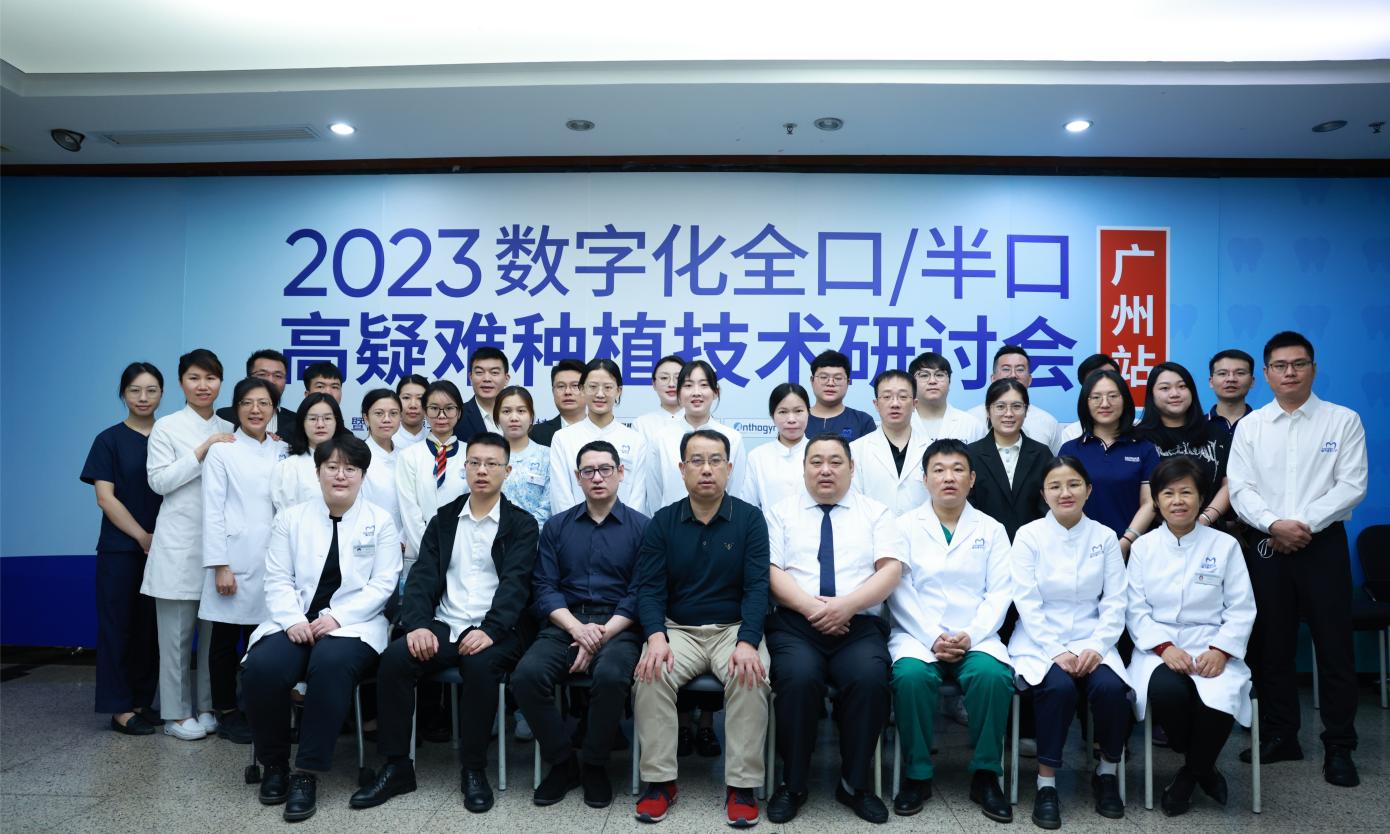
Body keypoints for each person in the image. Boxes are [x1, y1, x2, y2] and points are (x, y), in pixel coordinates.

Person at [352, 432, 539, 814]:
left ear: (507, 471)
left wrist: (490, 630)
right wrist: (417, 625)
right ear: (464, 467)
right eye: (475, 463)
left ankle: (474, 769)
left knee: (480, 665)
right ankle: (397, 766)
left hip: (497, 629)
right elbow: (422, 578)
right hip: (445, 622)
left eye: (492, 464)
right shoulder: (444, 519)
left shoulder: (521, 524)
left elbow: (516, 586)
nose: (482, 471)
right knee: (396, 659)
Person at [1226, 331, 1367, 786]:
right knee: (1272, 645)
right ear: (1266, 374)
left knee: (1334, 646)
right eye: (1280, 366)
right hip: (1268, 544)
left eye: (1299, 364)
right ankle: (1281, 735)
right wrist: (1274, 525)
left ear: (1313, 369)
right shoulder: (1251, 426)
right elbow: (1241, 488)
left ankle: (1339, 746)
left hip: (1321, 544)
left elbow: (1351, 485)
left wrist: (1300, 524)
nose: (1290, 372)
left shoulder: (1342, 421)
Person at [242, 436, 402, 821]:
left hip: (354, 625)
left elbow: (384, 583)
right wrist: (294, 619)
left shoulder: (380, 521)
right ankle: (274, 764)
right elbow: (277, 577)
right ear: (318, 473)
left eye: (350, 468)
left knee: (330, 664)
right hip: (294, 620)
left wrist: (338, 618)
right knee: (262, 668)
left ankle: (305, 773)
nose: (340, 475)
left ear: (363, 475)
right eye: (332, 467)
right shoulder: (291, 519)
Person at [631, 429, 771, 827]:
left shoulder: (749, 519)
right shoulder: (663, 521)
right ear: (682, 469)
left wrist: (748, 641)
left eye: (715, 461)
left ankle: (741, 787)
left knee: (750, 675)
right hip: (679, 629)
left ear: (729, 467)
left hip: (734, 629)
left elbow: (758, 587)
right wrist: (656, 636)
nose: (706, 469)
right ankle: (661, 783)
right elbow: (650, 588)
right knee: (650, 673)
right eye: (696, 461)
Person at [764, 435, 903, 825]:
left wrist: (848, 606)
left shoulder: (876, 513)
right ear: (804, 468)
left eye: (836, 462)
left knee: (870, 679)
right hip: (796, 623)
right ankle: (793, 784)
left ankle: (853, 783)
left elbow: (890, 569)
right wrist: (813, 608)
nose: (826, 470)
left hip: (857, 623)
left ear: (852, 468)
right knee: (797, 679)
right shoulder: (780, 513)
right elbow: (771, 571)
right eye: (817, 462)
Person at [514, 440, 649, 809]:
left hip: (618, 626)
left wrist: (600, 635)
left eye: (605, 469)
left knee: (611, 676)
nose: (597, 477)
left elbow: (640, 593)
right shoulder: (557, 527)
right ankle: (563, 763)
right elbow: (544, 587)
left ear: (621, 473)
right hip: (565, 623)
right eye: (588, 471)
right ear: (577, 477)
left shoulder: (642, 528)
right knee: (526, 676)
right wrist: (578, 630)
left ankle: (594, 765)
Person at [888, 439, 1014, 822]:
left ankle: (986, 774)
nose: (948, 478)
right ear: (924, 479)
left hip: (976, 635)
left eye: (958, 470)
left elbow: (1001, 591)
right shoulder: (903, 527)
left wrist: (971, 634)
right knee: (910, 677)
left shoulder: (992, 529)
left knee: (992, 676)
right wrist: (931, 637)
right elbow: (898, 589)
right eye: (939, 470)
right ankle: (917, 774)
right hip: (918, 635)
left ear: (971, 479)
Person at [1127, 456, 1256, 815]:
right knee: (1167, 693)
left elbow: (1241, 607)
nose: (1178, 501)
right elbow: (1135, 609)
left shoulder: (1225, 546)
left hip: (1212, 643)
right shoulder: (1143, 548)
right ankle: (1204, 768)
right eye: (1168, 493)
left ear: (1201, 498)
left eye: (1186, 492)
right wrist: (1164, 647)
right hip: (1158, 647)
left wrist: (1221, 650)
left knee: (1219, 697)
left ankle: (1190, 774)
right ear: (1156, 501)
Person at [1008, 457, 1130, 828]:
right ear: (1043, 493)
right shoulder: (1028, 536)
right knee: (1057, 689)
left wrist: (1097, 646)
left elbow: (1115, 601)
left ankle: (1106, 773)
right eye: (1055, 486)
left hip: (1093, 637)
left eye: (1074, 484)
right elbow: (1026, 600)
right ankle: (1046, 784)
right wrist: (1055, 650)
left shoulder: (1105, 537)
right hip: (1040, 639)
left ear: (1088, 490)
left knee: (1111, 690)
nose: (1065, 493)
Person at [143, 348, 234, 741]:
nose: (203, 385)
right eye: (194, 378)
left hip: (219, 548)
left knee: (213, 636)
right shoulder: (166, 427)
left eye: (210, 378)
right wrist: (203, 450)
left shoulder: (229, 426)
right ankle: (176, 714)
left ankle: (207, 706)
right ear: (181, 382)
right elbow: (159, 482)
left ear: (220, 382)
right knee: (176, 638)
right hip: (179, 546)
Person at [198, 376, 288, 745]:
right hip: (233, 559)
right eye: (248, 403)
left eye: (264, 403)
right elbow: (212, 509)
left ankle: (257, 708)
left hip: (274, 560)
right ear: (236, 408)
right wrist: (220, 564)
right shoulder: (223, 450)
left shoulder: (282, 450)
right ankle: (226, 710)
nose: (256, 410)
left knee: (262, 640)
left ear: (274, 410)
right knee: (224, 640)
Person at [82, 361, 165, 735]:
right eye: (135, 390)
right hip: (121, 549)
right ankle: (119, 708)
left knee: (150, 629)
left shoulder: (168, 436)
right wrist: (141, 536)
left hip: (165, 550)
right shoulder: (109, 440)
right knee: (118, 627)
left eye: (151, 390)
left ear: (162, 393)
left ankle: (142, 701)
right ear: (123, 394)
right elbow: (105, 498)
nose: (143, 397)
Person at [1057, 369, 1158, 556]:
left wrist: (1125, 543)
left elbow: (1149, 502)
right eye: (1096, 397)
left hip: (1132, 549)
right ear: (1085, 403)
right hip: (1080, 549)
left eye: (1113, 396)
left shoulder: (1144, 448)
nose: (1105, 403)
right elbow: (1063, 501)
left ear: (1125, 400)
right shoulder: (1070, 450)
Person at [548, 359, 650, 516]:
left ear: (618, 391)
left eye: (608, 387)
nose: (600, 394)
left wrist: (626, 527)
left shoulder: (636, 441)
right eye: (593, 387)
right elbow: (560, 496)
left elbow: (638, 497)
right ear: (582, 389)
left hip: (625, 528)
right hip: (574, 527)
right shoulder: (563, 438)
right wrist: (573, 527)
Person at [1136, 361, 1231, 525]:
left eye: (1182, 386)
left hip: (1209, 529)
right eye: (1165, 388)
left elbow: (1229, 484)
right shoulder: (1138, 438)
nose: (1175, 394)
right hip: (1155, 532)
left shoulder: (1216, 433)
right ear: (1151, 394)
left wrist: (1204, 519)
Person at [646, 359, 748, 508]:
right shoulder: (661, 438)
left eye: (704, 385)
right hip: (672, 521)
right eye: (688, 385)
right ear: (679, 393)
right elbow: (655, 495)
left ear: (716, 392)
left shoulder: (732, 438)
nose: (696, 392)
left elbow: (735, 492)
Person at [396, 380, 470, 579]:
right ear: (425, 411)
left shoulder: (470, 454)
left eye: (449, 409)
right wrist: (430, 553)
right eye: (434, 408)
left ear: (459, 412)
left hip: (462, 552)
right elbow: (409, 510)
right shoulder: (409, 456)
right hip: (421, 554)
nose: (442, 416)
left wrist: (454, 552)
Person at [966, 379, 1050, 541]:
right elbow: (967, 505)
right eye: (1000, 406)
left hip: (1034, 544)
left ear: (1026, 411)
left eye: (1017, 406)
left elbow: (1048, 504)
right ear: (988, 411)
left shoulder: (1042, 454)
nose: (1009, 413)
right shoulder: (971, 454)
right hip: (983, 544)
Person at [850, 370, 928, 515]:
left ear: (914, 404)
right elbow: (853, 500)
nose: (895, 404)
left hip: (921, 529)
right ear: (876, 404)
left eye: (903, 397)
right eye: (886, 397)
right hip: (871, 527)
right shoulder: (856, 450)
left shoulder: (931, 450)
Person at [968, 346, 1062, 452]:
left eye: (1020, 369)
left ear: (1030, 380)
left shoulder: (1048, 422)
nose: (1013, 375)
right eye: (1006, 369)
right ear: (993, 379)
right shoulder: (971, 419)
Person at [271, 393, 350, 514]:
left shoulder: (351, 465)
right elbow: (285, 517)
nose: (320, 425)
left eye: (327, 418)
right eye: (313, 419)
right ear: (302, 423)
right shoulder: (288, 467)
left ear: (337, 422)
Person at [745, 383, 810, 511]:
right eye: (783, 412)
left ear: (809, 412)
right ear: (772, 416)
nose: (791, 419)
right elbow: (749, 505)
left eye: (798, 411)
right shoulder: (757, 456)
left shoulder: (822, 453)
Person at [495, 385, 551, 526]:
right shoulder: (487, 456)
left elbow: (548, 506)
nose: (514, 418)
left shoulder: (547, 456)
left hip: (535, 535)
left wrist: (525, 532)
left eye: (521, 411)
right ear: (497, 417)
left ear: (531, 417)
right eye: (506, 411)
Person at [216, 349, 298, 440]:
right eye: (262, 374)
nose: (270, 381)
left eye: (278, 376)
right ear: (248, 379)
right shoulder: (224, 416)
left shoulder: (297, 421)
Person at [908, 351, 985, 443]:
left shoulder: (972, 425)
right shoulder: (900, 422)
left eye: (939, 375)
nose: (932, 381)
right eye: (924, 375)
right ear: (912, 383)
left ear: (949, 382)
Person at [360, 389, 404, 537]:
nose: (387, 419)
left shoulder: (406, 456)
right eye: (379, 413)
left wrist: (403, 538)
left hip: (405, 541)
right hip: (369, 538)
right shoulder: (355, 457)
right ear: (366, 418)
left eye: (393, 413)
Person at [806, 350, 878, 441]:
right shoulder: (797, 419)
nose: (830, 383)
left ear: (848, 382)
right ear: (812, 380)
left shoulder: (863, 421)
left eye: (838, 378)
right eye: (824, 377)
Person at [1055, 354, 1120, 449]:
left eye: (1110, 376)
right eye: (1096, 379)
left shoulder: (1138, 430)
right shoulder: (1072, 433)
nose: (1104, 382)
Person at [453, 346, 510, 442]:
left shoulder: (518, 416)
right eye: (479, 372)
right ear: (470, 377)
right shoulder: (457, 417)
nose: (487, 379)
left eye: (494, 372)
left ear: (506, 379)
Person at [529, 359, 587, 447]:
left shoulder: (600, 430)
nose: (567, 392)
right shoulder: (536, 433)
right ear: (553, 391)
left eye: (575, 385)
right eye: (561, 386)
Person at [632, 355, 685, 447]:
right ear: (654, 384)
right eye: (664, 378)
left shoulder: (699, 420)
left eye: (678, 378)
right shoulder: (642, 424)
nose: (671, 384)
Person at [1206, 349, 1256, 446]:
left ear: (1252, 381)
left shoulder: (1264, 424)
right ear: (1211, 381)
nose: (1231, 379)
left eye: (1240, 373)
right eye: (1222, 373)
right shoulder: (1196, 427)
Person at [393, 374, 430, 450]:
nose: (413, 405)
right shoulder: (387, 439)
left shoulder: (435, 440)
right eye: (406, 398)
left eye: (420, 398)